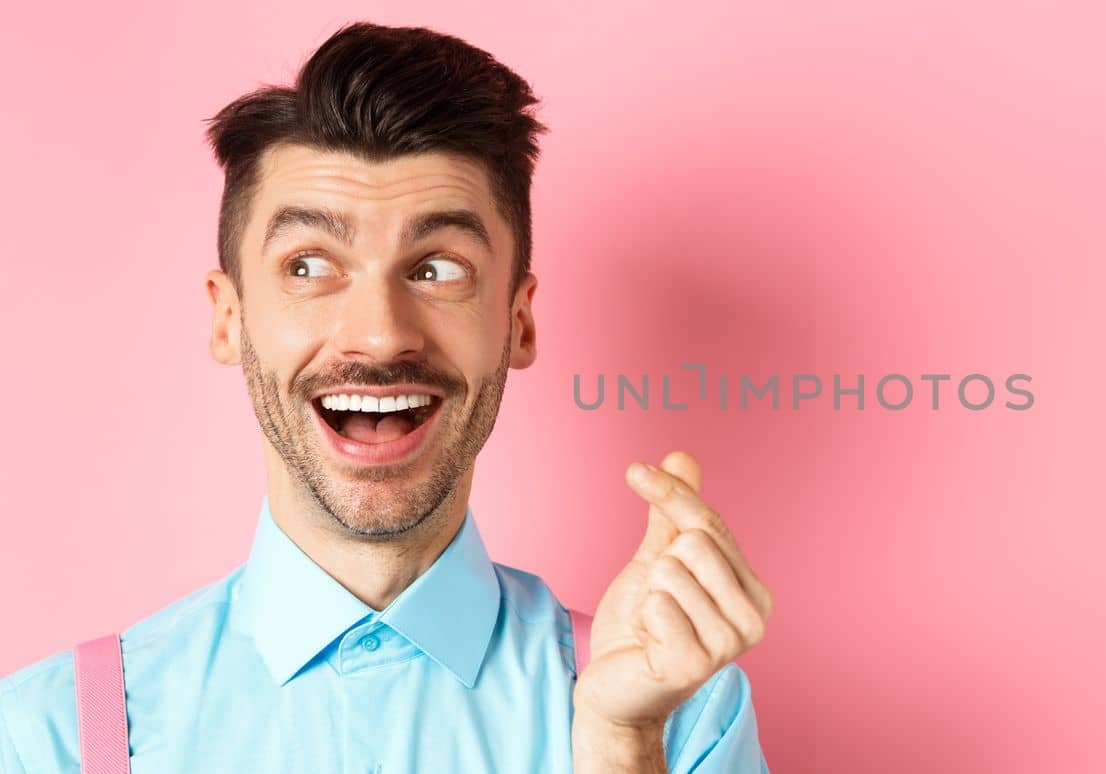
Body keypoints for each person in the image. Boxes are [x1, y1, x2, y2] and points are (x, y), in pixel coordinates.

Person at [0, 21, 773, 774]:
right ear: (229, 317)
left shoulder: (680, 714)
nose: (378, 337)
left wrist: (620, 747)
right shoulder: (50, 738)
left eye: (439, 268)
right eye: (308, 265)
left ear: (519, 320)